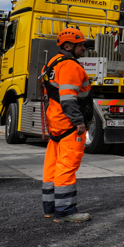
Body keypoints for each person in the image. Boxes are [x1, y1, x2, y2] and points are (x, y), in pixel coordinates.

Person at [41, 28, 94, 222]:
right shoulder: (71, 66)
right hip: (69, 126)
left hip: (56, 124)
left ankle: (51, 208)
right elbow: (68, 98)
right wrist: (78, 121)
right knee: (66, 167)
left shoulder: (51, 64)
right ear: (68, 46)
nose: (84, 47)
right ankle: (65, 212)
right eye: (80, 44)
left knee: (52, 167)